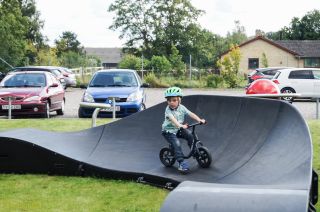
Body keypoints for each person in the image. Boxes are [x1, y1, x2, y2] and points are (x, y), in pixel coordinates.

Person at [161, 87, 206, 173]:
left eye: (174, 100)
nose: (171, 102)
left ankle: (195, 152)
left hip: (178, 129)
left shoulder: (182, 107)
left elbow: (190, 114)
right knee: (177, 144)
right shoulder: (168, 110)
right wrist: (180, 125)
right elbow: (173, 120)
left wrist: (199, 120)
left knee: (190, 135)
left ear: (179, 100)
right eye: (169, 100)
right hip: (168, 131)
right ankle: (181, 163)